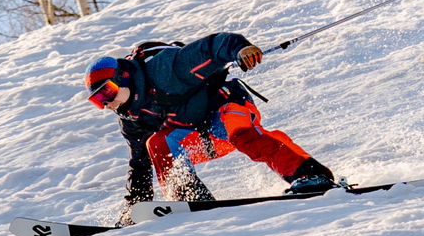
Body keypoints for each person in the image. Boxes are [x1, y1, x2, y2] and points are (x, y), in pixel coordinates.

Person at [85, 33, 336, 214]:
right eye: (98, 101)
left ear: (124, 77)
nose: (106, 103)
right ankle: (191, 202)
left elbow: (211, 47)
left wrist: (241, 49)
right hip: (198, 137)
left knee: (239, 133)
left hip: (225, 107)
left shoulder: (164, 69)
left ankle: (311, 175)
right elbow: (139, 167)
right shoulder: (131, 119)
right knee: (157, 144)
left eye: (106, 93)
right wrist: (136, 211)